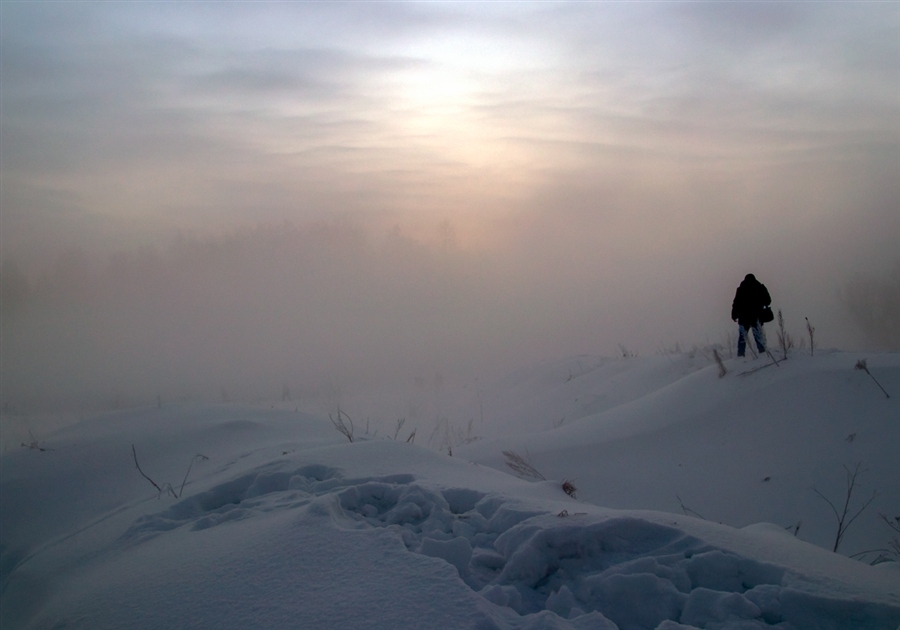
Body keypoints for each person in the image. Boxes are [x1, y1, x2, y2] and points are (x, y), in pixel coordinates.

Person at [731, 273, 771, 357]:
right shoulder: (759, 287)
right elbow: (768, 300)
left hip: (743, 317)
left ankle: (741, 355)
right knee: (758, 335)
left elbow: (736, 303)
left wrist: (734, 315)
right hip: (756, 316)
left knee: (742, 337)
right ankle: (762, 352)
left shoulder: (741, 289)